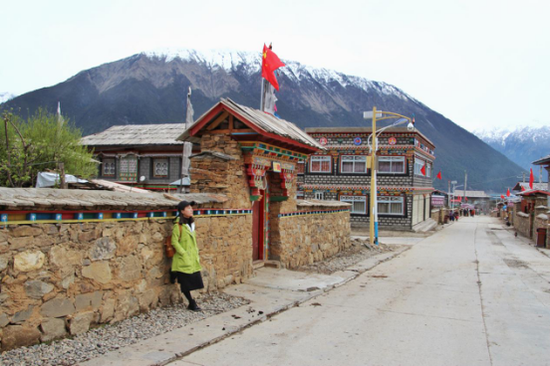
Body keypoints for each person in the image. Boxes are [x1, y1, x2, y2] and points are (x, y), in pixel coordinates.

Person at [171, 200, 204, 311]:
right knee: (185, 283)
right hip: (183, 258)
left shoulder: (191, 224)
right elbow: (174, 241)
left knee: (193, 279)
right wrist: (183, 253)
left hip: (192, 257)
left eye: (191, 208)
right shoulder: (178, 225)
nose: (191, 210)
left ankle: (173, 274)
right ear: (182, 211)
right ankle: (191, 302)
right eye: (188, 208)